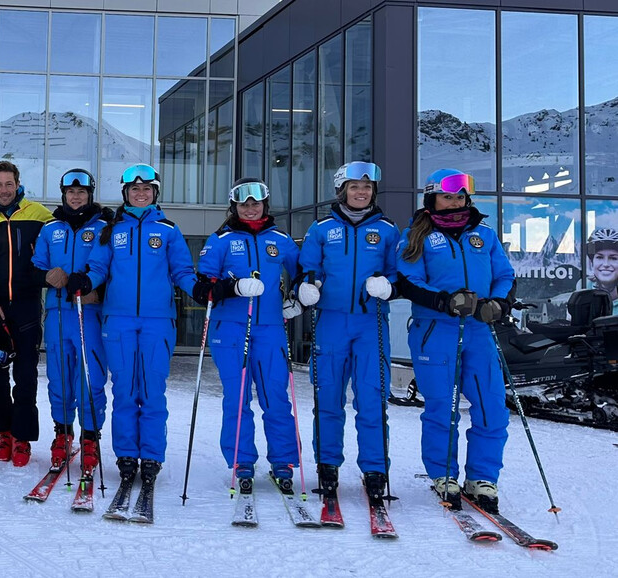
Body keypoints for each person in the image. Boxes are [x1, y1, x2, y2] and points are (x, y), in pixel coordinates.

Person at [66, 164, 196, 496]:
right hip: (118, 321)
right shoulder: (111, 230)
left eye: (147, 189)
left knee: (151, 390)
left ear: (155, 193)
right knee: (124, 389)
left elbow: (182, 270)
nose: (141, 194)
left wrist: (201, 289)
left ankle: (151, 455)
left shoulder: (168, 230)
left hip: (157, 322)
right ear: (126, 194)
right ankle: (126, 454)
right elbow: (98, 267)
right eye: (135, 190)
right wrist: (86, 280)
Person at [396, 169, 514, 512]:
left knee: (491, 407)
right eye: (448, 196)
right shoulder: (416, 236)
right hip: (436, 332)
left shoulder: (484, 236)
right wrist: (445, 300)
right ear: (432, 198)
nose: (455, 201)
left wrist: (499, 303)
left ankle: (482, 477)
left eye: (460, 196)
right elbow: (408, 281)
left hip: (478, 331)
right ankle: (443, 473)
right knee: (442, 408)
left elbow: (504, 275)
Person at [296, 161, 401, 505]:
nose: (362, 192)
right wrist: (307, 287)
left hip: (371, 324)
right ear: (342, 190)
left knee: (372, 399)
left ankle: (374, 471)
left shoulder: (386, 230)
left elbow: (400, 272)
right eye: (355, 187)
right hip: (330, 323)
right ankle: (327, 466)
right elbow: (307, 267)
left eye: (367, 187)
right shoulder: (322, 228)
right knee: (328, 399)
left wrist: (389, 285)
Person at [191, 177, 301, 494]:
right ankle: (242, 460)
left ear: (265, 204)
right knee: (237, 399)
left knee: (276, 398)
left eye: (255, 203)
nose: (250, 208)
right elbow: (203, 288)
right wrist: (233, 287)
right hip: (230, 329)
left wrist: (300, 297)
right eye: (244, 204)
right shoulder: (221, 239)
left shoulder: (280, 239)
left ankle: (283, 461)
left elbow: (304, 272)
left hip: (270, 329)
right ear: (235, 207)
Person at [30, 168, 113, 477]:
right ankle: (63, 432)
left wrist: (93, 286)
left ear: (89, 194)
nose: (76, 197)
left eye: (81, 192)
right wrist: (46, 276)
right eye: (70, 192)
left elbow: (109, 267)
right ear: (63, 194)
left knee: (90, 378)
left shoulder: (105, 227)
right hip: (56, 313)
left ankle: (90, 436)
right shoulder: (50, 228)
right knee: (59, 378)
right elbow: (36, 266)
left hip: (88, 312)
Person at [0, 160, 52, 467]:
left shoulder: (40, 214)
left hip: (27, 304)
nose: (4, 190)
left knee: (26, 375)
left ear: (18, 185)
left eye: (9, 184)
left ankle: (22, 437)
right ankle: (3, 432)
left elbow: (68, 228)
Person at [586, 228, 618, 312]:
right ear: (592, 262)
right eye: (599, 257)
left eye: (613, 258)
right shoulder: (583, 288)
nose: (606, 264)